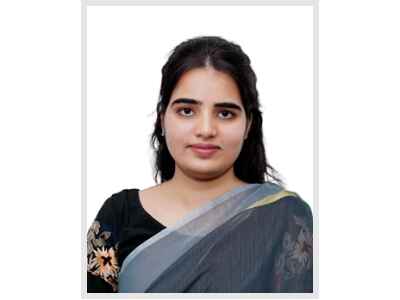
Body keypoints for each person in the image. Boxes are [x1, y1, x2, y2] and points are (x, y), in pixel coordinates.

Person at [86, 36, 313, 293]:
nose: (206, 130)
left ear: (248, 124)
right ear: (162, 119)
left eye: (225, 113)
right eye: (186, 111)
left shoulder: (283, 219)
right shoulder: (119, 216)